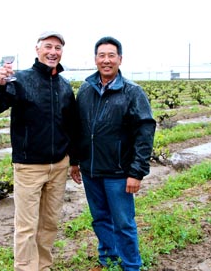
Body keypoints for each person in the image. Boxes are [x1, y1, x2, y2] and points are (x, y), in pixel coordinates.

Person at [0, 31, 78, 271]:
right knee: (26, 226)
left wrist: (73, 160)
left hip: (58, 166)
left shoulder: (65, 86)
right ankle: (26, 268)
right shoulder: (21, 80)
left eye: (57, 48)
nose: (53, 52)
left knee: (49, 224)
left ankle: (43, 266)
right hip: (29, 166)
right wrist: (0, 84)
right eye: (48, 46)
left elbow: (71, 126)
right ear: (37, 50)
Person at [70, 36, 156, 271]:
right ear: (95, 59)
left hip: (119, 173)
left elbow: (145, 132)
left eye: (111, 55)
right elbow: (79, 127)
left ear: (120, 59)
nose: (106, 60)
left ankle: (131, 265)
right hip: (91, 170)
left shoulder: (132, 92)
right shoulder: (86, 89)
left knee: (123, 223)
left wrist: (137, 172)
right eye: (101, 55)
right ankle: (108, 259)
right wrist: (75, 160)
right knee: (100, 219)